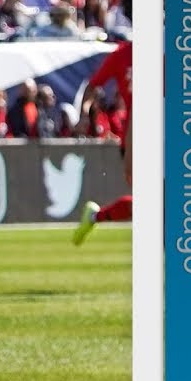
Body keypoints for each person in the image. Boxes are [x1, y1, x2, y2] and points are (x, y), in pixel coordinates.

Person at [74, 39, 132, 244]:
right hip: (136, 135)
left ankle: (95, 216)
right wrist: (83, 115)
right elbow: (92, 87)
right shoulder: (122, 54)